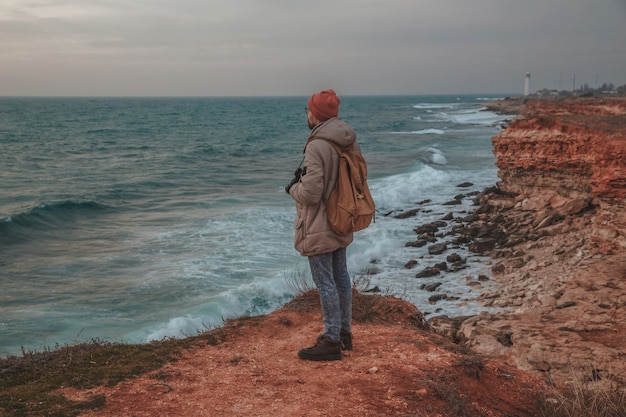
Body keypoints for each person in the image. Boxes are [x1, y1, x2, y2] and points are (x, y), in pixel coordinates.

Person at [285, 89, 361, 361]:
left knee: (325, 280)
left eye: (308, 110)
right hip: (342, 216)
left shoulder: (317, 145)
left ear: (315, 114)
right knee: (341, 277)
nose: (307, 114)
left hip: (319, 222)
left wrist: (293, 188)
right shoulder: (347, 140)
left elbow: (311, 193)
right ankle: (343, 333)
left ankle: (330, 340)